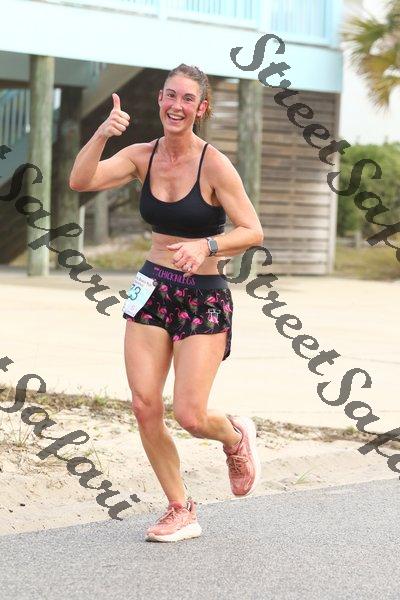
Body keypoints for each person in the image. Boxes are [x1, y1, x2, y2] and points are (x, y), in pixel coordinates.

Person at [69, 63, 264, 543]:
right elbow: (81, 180)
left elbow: (252, 230)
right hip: (152, 287)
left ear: (201, 108)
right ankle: (181, 508)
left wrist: (207, 246)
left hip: (204, 295)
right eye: (170, 95)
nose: (177, 106)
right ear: (160, 99)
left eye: (187, 99)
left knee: (190, 415)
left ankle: (234, 435)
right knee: (143, 404)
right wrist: (102, 133)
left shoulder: (214, 164)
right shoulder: (141, 155)